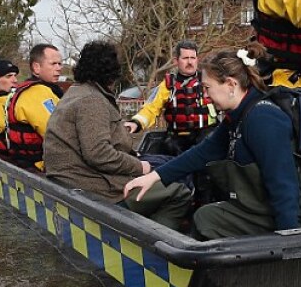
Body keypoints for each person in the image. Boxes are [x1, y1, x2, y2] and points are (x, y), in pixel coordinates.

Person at [124, 45, 301, 239]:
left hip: (300, 215)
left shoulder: (263, 119)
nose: (205, 96)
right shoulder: (237, 116)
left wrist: (289, 240)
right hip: (263, 205)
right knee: (206, 216)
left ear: (231, 84)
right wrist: (154, 177)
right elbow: (201, 153)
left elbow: (283, 184)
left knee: (207, 220)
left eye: (207, 88)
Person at [44, 40, 193, 230]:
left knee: (165, 164)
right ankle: (159, 244)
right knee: (179, 190)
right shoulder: (92, 101)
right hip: (95, 187)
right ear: (110, 72)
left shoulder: (77, 92)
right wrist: (140, 166)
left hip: (78, 180)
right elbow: (98, 154)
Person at [126, 40, 216, 155]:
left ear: (197, 60)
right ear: (176, 61)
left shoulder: (208, 81)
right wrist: (136, 123)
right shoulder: (167, 85)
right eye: (185, 58)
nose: (190, 62)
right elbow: (151, 108)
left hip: (206, 136)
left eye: (193, 58)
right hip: (176, 140)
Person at [3, 44, 65, 171]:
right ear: (36, 67)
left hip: (28, 163)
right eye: (53, 64)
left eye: (60, 64)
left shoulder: (40, 90)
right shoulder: (37, 93)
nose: (59, 68)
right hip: (37, 165)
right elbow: (57, 134)